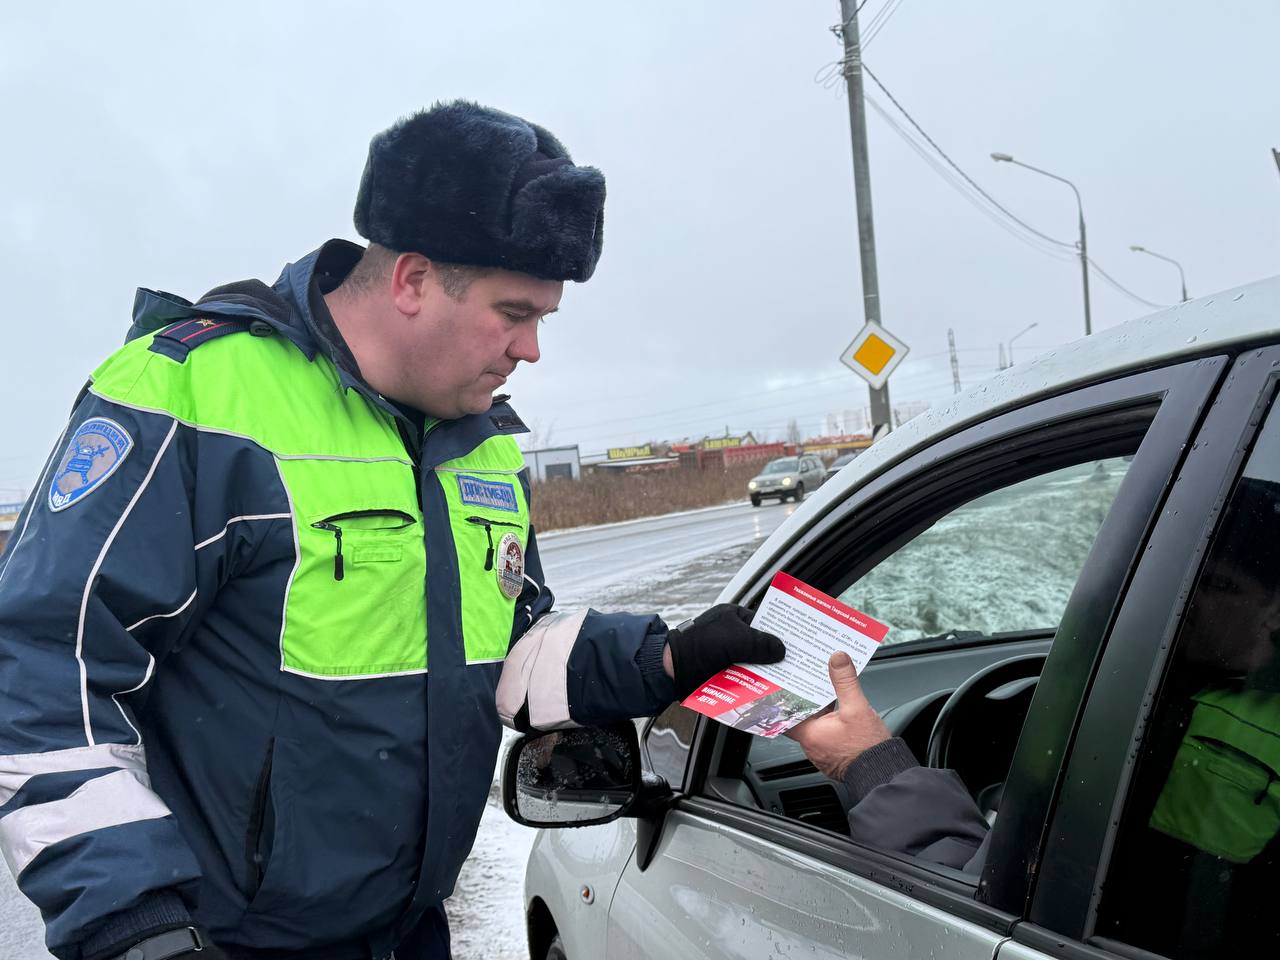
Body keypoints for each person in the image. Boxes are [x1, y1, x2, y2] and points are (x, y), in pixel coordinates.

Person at [0, 102, 784, 960]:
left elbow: (506, 654)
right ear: (411, 280)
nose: (531, 349)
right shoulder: (196, 395)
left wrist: (657, 661)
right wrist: (132, 927)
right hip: (215, 943)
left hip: (407, 933)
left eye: (543, 321)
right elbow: (40, 670)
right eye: (514, 311)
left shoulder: (480, 444)